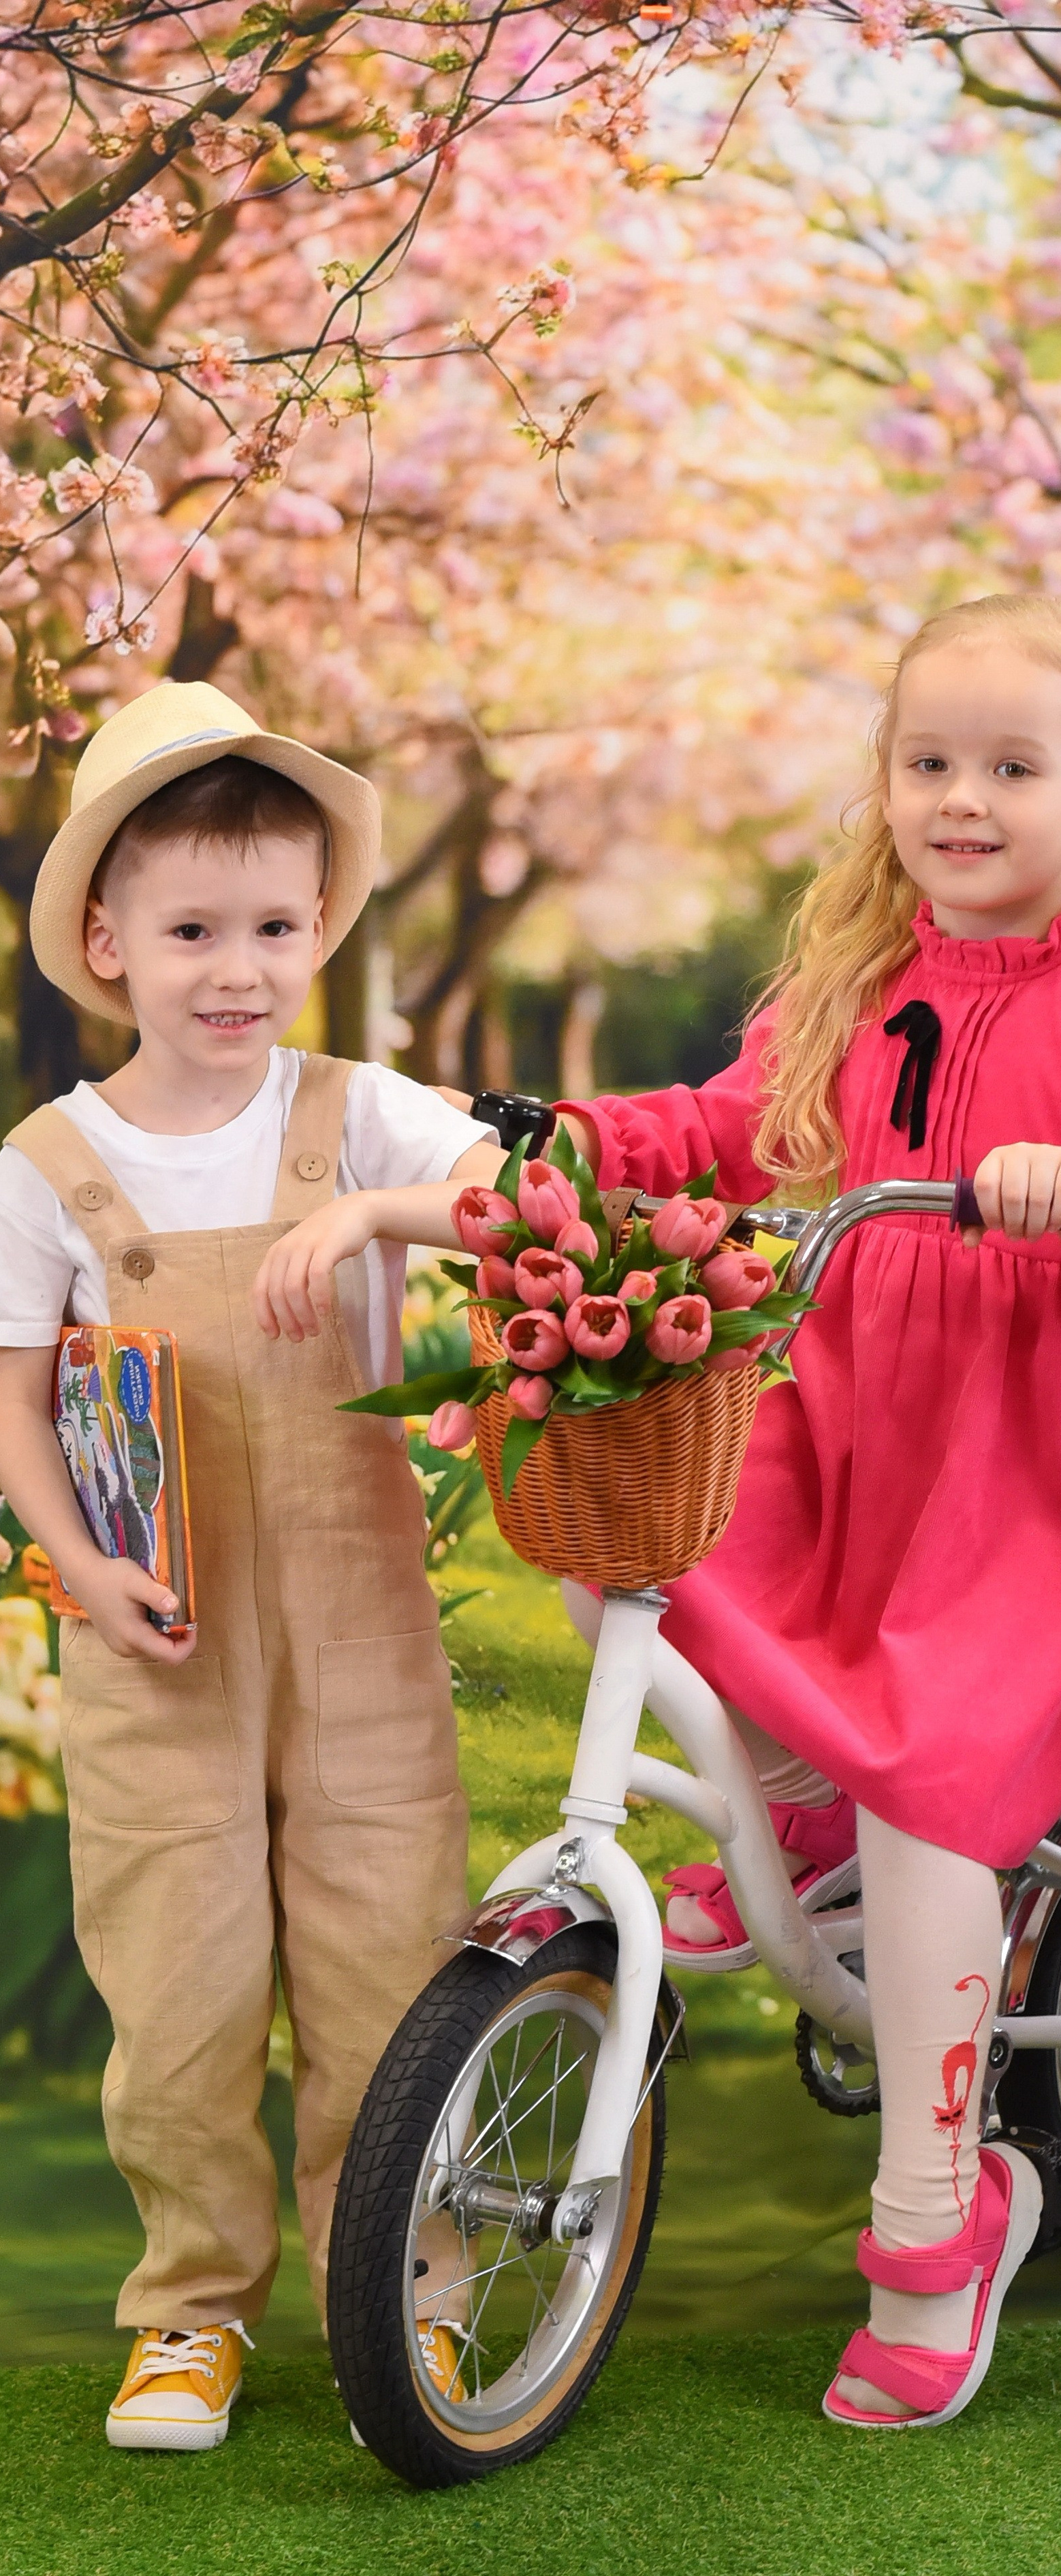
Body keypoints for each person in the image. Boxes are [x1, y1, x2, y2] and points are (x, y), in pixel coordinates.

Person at [526, 592, 1061, 2425]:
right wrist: (551, 1140)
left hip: (1051, 1477)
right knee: (650, 1557)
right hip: (865, 1430)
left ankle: (941, 2213)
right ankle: (807, 1817)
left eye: (1013, 767)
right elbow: (720, 1120)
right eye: (931, 761)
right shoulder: (852, 989)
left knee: (934, 1775)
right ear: (888, 781)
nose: (964, 798)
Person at [0, 681, 509, 2451]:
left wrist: (374, 1209)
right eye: (194, 928)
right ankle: (184, 2309)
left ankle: (400, 2287)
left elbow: (518, 1198)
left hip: (360, 1638)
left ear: (319, 927)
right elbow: (13, 1404)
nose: (237, 967)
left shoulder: (352, 1113)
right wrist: (71, 1557)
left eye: (276, 926)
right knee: (181, 1974)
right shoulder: (51, 1168)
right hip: (155, 1637)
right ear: (104, 935)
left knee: (385, 1960)